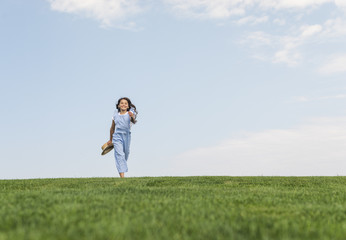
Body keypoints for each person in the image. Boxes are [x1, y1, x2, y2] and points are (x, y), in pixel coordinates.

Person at [107, 97, 138, 178]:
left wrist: (132, 116)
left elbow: (133, 121)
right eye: (121, 103)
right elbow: (112, 128)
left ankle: (122, 168)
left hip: (127, 136)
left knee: (125, 154)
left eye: (125, 103)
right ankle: (122, 177)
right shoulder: (115, 116)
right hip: (117, 137)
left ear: (128, 106)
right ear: (118, 105)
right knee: (119, 155)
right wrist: (110, 140)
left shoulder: (130, 114)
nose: (123, 104)